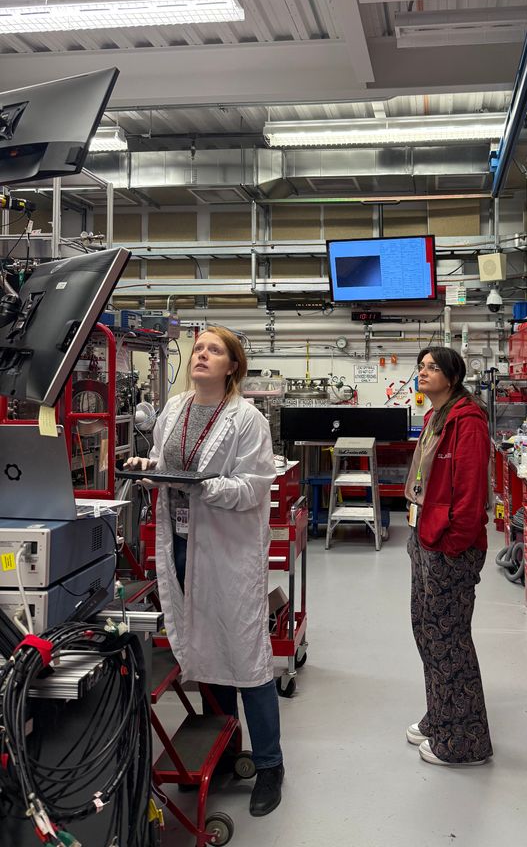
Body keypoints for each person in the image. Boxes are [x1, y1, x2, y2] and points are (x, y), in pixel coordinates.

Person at [125, 326, 284, 817]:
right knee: (205, 645)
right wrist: (148, 466)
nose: (202, 355)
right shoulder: (173, 411)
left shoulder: (247, 419)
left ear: (232, 366)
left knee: (246, 653)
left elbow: (254, 488)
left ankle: (270, 765)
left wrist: (202, 488)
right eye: (198, 348)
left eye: (214, 350)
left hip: (228, 550)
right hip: (181, 546)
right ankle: (227, 749)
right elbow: (169, 463)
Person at [404, 346, 493, 766]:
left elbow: (471, 494)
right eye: (421, 366)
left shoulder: (468, 422)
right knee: (427, 630)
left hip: (448, 547)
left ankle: (465, 743)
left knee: (449, 639)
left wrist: (452, 545)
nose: (423, 372)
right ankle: (442, 716)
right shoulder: (435, 417)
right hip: (424, 538)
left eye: (432, 367)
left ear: (453, 377)